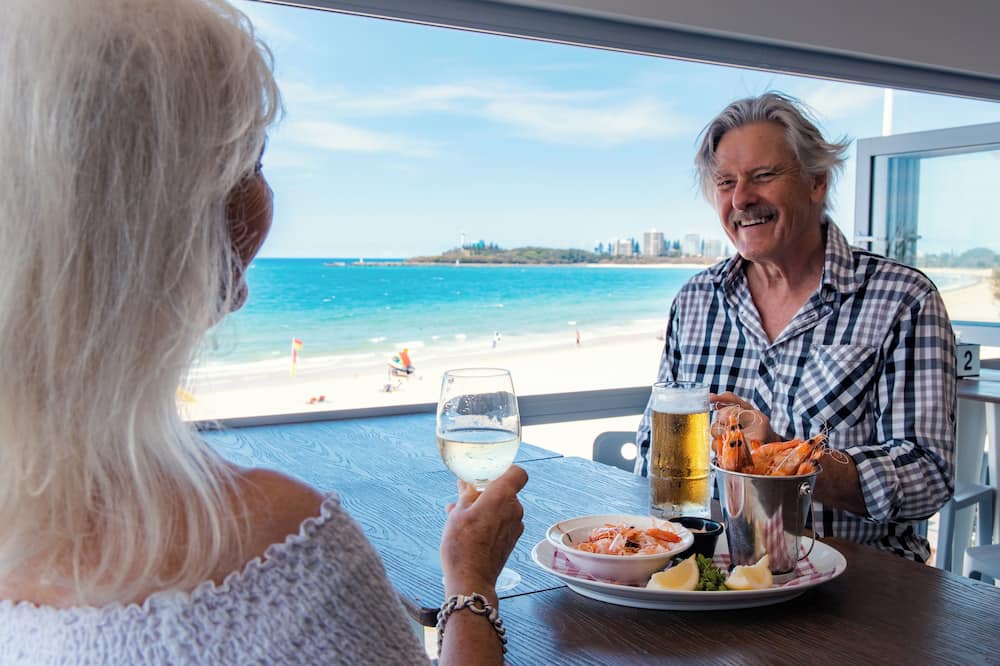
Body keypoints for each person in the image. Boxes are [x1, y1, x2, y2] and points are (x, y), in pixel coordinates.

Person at [0, 1, 525, 664]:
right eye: (250, 158)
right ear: (176, 214)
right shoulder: (277, 545)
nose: (260, 196)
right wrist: (472, 577)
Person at [636, 92, 956, 562]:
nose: (741, 198)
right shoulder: (695, 301)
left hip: (857, 588)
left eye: (763, 176)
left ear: (817, 182)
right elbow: (652, 450)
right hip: (710, 578)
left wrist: (786, 458)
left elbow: (928, 477)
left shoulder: (903, 299)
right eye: (726, 182)